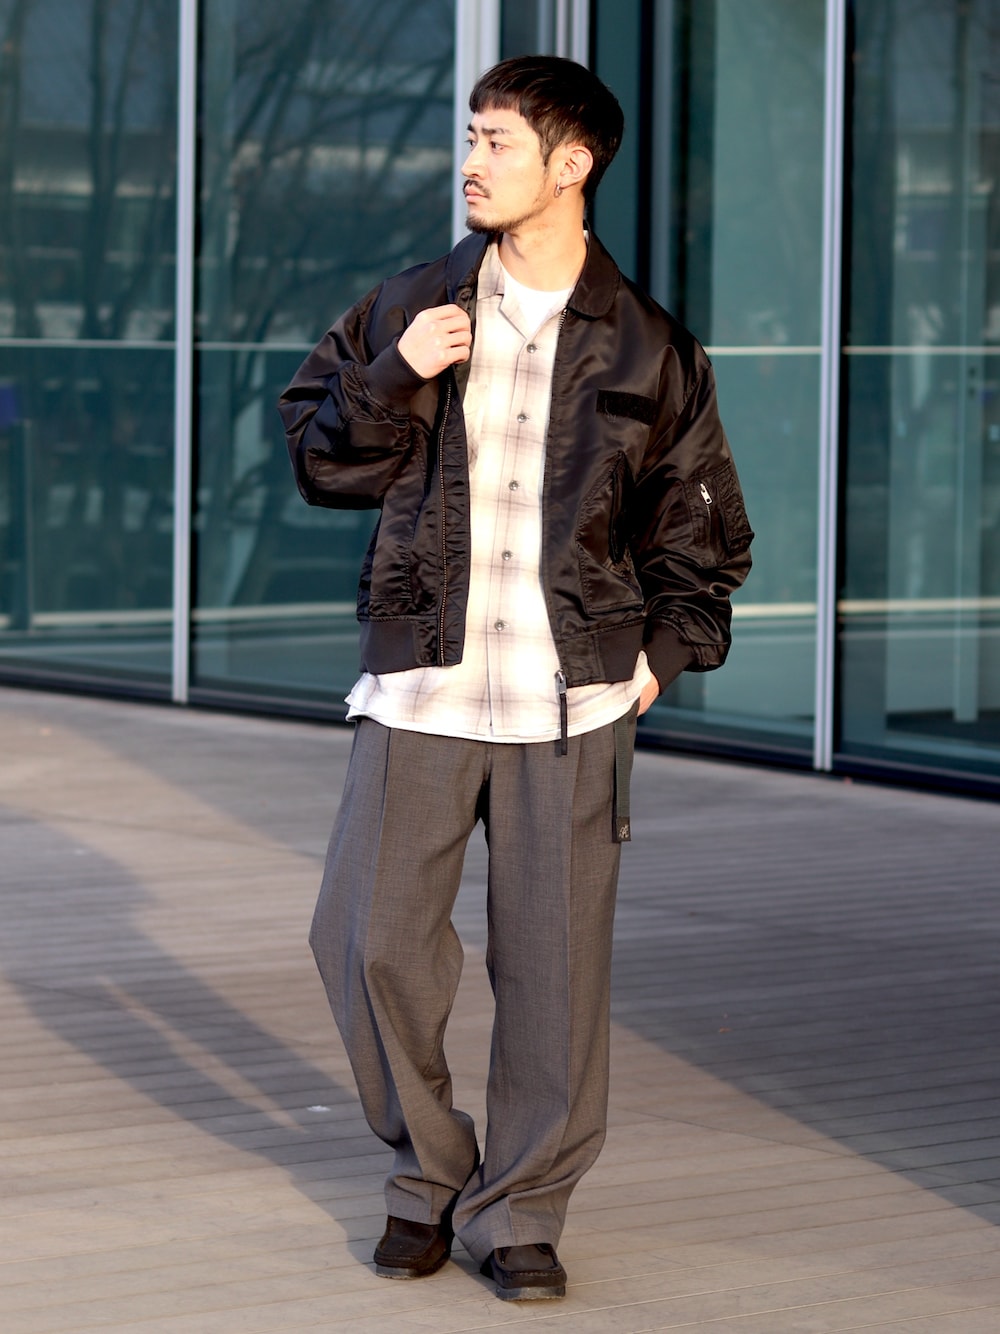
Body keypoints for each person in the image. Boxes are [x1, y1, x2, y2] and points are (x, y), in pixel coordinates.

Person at [278, 54, 752, 1302]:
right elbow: (318, 462)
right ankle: (429, 1172)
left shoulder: (651, 346)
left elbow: (703, 533)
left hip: (568, 703)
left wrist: (655, 663)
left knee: (555, 975)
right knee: (365, 941)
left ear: (570, 164)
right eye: (472, 135)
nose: (472, 162)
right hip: (422, 687)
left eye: (498, 141)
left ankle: (521, 1208)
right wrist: (395, 374)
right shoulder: (408, 304)